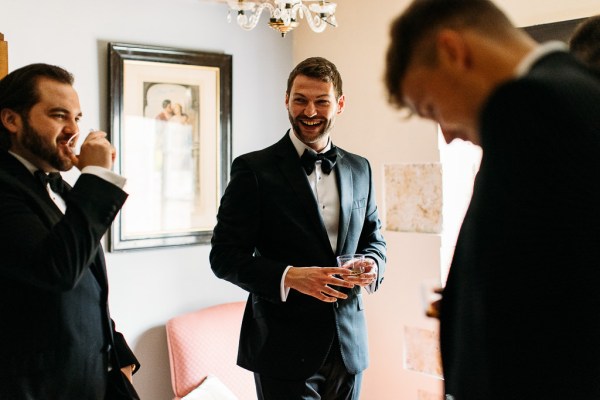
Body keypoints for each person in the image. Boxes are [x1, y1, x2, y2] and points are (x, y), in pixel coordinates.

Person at [384, 1, 600, 399]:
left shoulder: (531, 107)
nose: (446, 135)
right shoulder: (576, 93)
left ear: (453, 51)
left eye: (431, 109)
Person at [210, 56, 386, 400]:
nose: (309, 112)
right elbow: (224, 257)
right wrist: (290, 276)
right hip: (282, 347)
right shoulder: (253, 170)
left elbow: (374, 237)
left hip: (349, 345)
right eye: (300, 100)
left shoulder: (360, 168)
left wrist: (373, 264)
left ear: (340, 104)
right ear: (286, 100)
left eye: (321, 101)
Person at [0, 63, 140, 399]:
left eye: (77, 118)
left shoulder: (59, 187)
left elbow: (86, 286)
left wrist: (120, 358)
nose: (72, 130)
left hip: (95, 379)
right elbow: (57, 270)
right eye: (59, 115)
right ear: (11, 120)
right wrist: (96, 178)